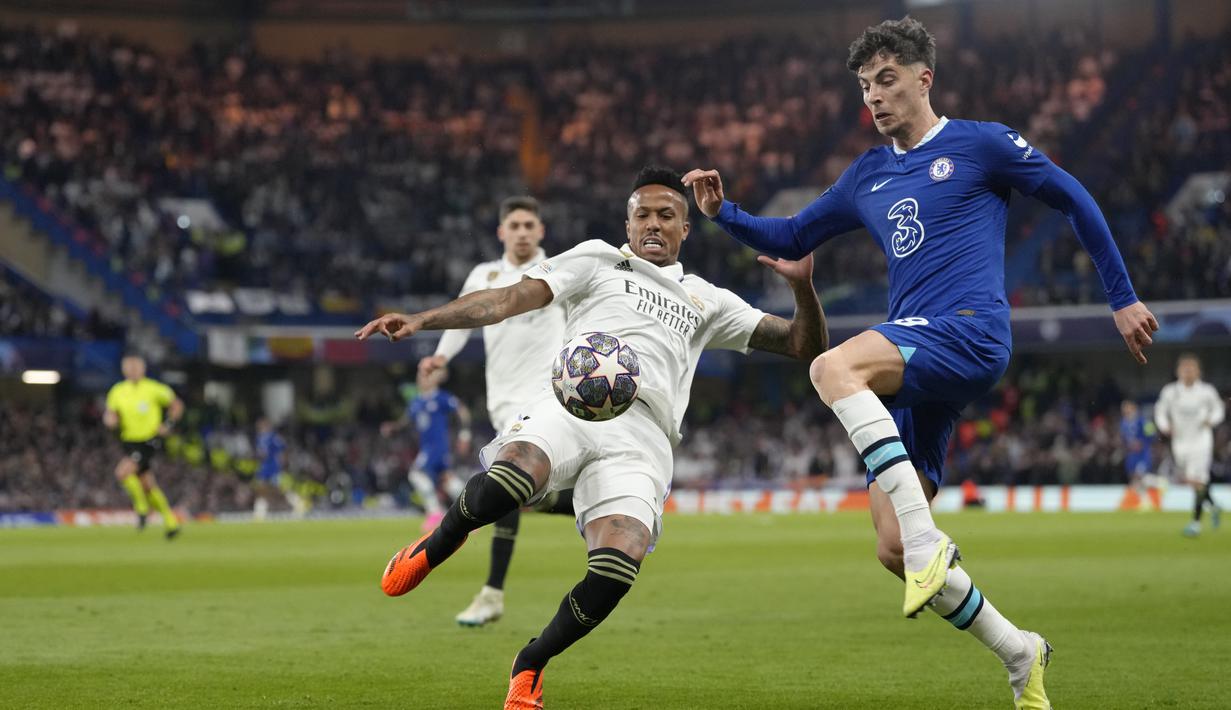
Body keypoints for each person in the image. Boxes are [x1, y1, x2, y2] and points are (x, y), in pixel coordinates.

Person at [684, 17, 1158, 709]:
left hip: (968, 331)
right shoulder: (867, 175)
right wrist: (721, 211)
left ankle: (930, 542)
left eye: (885, 80)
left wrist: (1121, 296)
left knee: (830, 368)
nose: (873, 97)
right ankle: (1019, 652)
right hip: (916, 364)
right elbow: (791, 234)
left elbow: (1073, 197)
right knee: (892, 547)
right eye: (864, 86)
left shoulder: (981, 144)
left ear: (923, 78)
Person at [356, 166, 826, 709]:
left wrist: (802, 286)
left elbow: (803, 345)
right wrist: (424, 320)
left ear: (685, 228)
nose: (653, 224)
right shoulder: (598, 260)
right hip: (568, 404)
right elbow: (508, 299)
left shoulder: (707, 299)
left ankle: (531, 662)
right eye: (643, 214)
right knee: (514, 473)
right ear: (628, 224)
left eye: (666, 215)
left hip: (644, 437)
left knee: (617, 566)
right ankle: (436, 544)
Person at [418, 196, 574, 627]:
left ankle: (492, 593)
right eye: (515, 225)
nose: (522, 232)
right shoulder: (484, 276)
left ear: (541, 231)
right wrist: (441, 356)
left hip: (546, 394)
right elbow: (463, 318)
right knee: (525, 492)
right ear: (502, 232)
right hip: (502, 398)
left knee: (504, 481)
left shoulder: (560, 270)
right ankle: (596, 506)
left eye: (529, 225)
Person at [103, 354, 185, 540]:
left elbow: (176, 405)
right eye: (129, 367)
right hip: (128, 441)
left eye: (136, 367)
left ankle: (142, 507)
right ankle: (171, 522)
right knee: (147, 485)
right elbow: (111, 413)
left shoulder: (154, 388)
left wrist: (168, 424)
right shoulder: (117, 391)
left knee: (122, 473)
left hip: (149, 439)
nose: (132, 370)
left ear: (143, 369)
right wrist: (110, 420)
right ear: (123, 369)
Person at [382, 366, 472, 531]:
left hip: (437, 448)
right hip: (427, 447)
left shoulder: (441, 397)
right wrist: (393, 427)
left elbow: (462, 410)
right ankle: (471, 513)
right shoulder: (416, 401)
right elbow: (406, 421)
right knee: (447, 480)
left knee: (416, 474)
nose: (420, 378)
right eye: (419, 375)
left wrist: (465, 435)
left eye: (425, 375)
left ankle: (435, 513)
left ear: (434, 378)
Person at [1155, 353, 1225, 537]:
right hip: (1180, 442)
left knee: (1197, 479)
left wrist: (1212, 420)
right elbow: (1160, 411)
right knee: (1193, 481)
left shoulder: (1207, 391)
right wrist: (1165, 426)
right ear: (1178, 371)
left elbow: (1219, 409)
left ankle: (1195, 523)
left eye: (1191, 369)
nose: (1187, 372)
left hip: (1201, 440)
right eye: (1184, 369)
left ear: (1198, 371)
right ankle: (1214, 506)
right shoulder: (1170, 391)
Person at [1119, 400, 1160, 511]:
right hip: (1131, 455)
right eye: (1124, 408)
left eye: (1127, 408)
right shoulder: (1123, 423)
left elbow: (1152, 433)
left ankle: (1159, 483)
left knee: (1139, 476)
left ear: (1134, 408)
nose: (1125, 410)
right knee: (1134, 479)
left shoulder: (1142, 421)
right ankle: (1146, 502)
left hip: (1143, 454)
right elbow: (1124, 439)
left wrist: (1143, 442)